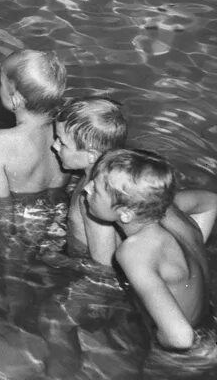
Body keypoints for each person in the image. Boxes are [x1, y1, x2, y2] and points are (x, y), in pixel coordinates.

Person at [84, 149, 212, 351]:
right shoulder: (169, 209)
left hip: (184, 353)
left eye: (96, 190)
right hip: (207, 321)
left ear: (126, 214)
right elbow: (211, 202)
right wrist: (191, 250)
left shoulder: (134, 252)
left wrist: (151, 344)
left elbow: (181, 338)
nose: (86, 188)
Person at [0, 49, 69, 207]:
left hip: (24, 219)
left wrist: (7, 231)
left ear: (15, 98)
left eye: (1, 84)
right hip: (58, 210)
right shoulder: (65, 132)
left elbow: (0, 203)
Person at [52, 97, 128, 266]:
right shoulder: (95, 178)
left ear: (91, 155)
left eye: (62, 143)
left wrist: (64, 262)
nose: (55, 146)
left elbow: (105, 267)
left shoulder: (93, 200)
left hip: (88, 269)